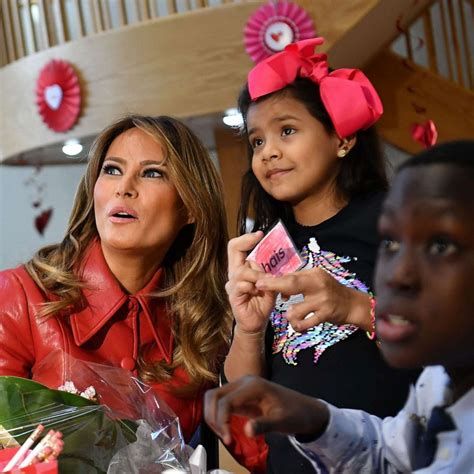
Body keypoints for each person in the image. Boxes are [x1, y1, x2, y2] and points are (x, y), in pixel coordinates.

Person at [205, 140, 474, 473]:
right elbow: (389, 455)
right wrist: (313, 417)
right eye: (391, 242)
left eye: (440, 245)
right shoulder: (435, 383)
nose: (398, 273)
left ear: (340, 140)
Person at [223, 37, 418, 472]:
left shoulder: (395, 222)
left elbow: (447, 345)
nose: (268, 152)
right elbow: (246, 394)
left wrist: (355, 306)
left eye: (287, 131)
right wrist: (250, 328)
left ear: (342, 138)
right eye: (256, 141)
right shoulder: (263, 246)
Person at [0, 114, 231, 443]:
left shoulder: (203, 328)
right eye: (112, 170)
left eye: (152, 173)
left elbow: (263, 452)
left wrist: (250, 332)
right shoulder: (17, 297)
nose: (124, 188)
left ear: (190, 207)